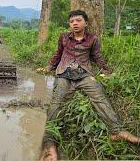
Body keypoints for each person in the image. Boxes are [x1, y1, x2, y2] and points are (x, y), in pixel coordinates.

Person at [39, 10, 140, 161]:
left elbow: (97, 56)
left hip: (84, 74)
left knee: (99, 96)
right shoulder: (64, 37)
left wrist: (106, 71)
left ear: (85, 23)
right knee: (57, 102)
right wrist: (49, 67)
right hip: (64, 73)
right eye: (72, 21)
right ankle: (49, 144)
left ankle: (116, 131)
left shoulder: (92, 39)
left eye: (78, 20)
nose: (74, 23)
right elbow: (58, 54)